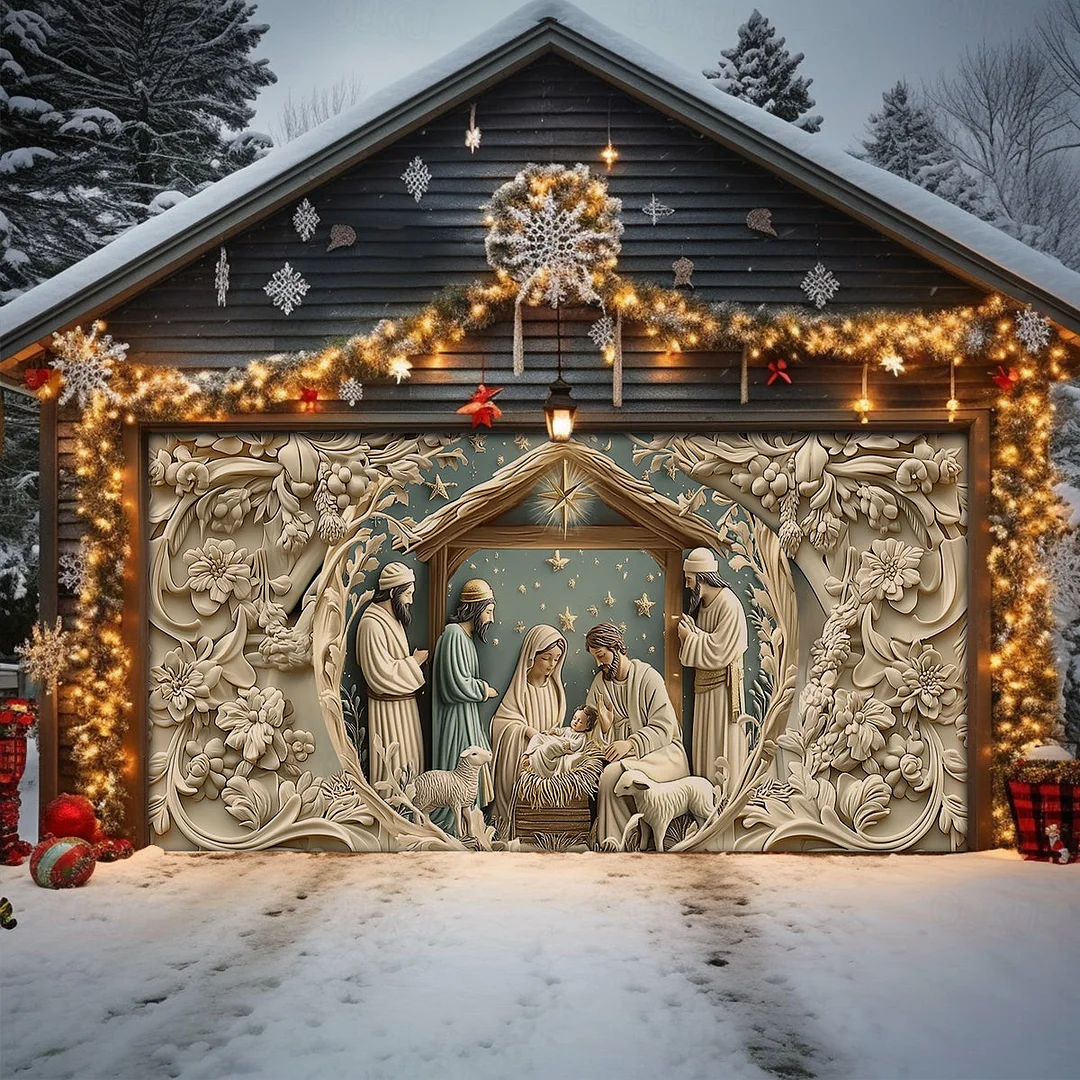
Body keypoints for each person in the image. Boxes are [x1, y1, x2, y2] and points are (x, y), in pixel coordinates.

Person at [584, 622, 690, 848]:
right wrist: (604, 728)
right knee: (601, 772)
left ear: (617, 648)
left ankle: (617, 842)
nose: (598, 663)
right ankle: (614, 841)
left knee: (612, 776)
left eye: (601, 655)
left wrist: (630, 744)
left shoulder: (647, 678)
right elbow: (590, 730)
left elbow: (664, 728)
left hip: (661, 753)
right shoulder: (599, 684)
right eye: (595, 657)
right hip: (621, 754)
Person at [431, 578, 499, 833]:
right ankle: (452, 824)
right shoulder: (453, 635)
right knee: (463, 764)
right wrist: (483, 690)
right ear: (476, 608)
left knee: (478, 760)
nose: (491, 619)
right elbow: (453, 683)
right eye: (489, 611)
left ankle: (471, 820)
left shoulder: (466, 638)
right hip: (456, 717)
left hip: (467, 713)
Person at [677, 547, 748, 785]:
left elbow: (721, 650)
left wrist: (690, 638)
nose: (687, 587)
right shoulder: (706, 604)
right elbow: (709, 638)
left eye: (689, 581)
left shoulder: (728, 604)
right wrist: (694, 630)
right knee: (706, 740)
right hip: (706, 687)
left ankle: (724, 793)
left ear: (702, 579)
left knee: (720, 741)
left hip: (722, 689)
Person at [354, 561, 428, 787]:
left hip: (404, 706)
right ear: (394, 592)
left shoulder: (393, 619)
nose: (410, 601)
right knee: (395, 764)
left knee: (411, 760)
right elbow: (379, 674)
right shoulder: (371, 624)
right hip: (388, 711)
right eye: (407, 594)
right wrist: (414, 663)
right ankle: (394, 807)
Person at [489, 624, 567, 838]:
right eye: (546, 657)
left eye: (557, 658)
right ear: (532, 656)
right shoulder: (520, 689)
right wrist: (526, 731)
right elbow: (503, 723)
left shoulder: (554, 688)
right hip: (526, 753)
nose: (552, 664)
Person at [523, 703, 611, 779]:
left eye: (580, 721)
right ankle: (528, 753)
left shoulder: (582, 736)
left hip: (564, 746)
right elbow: (560, 731)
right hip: (558, 740)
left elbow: (577, 744)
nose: (575, 722)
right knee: (537, 737)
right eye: (574, 718)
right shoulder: (568, 729)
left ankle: (532, 762)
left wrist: (570, 744)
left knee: (550, 746)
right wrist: (554, 731)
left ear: (587, 726)